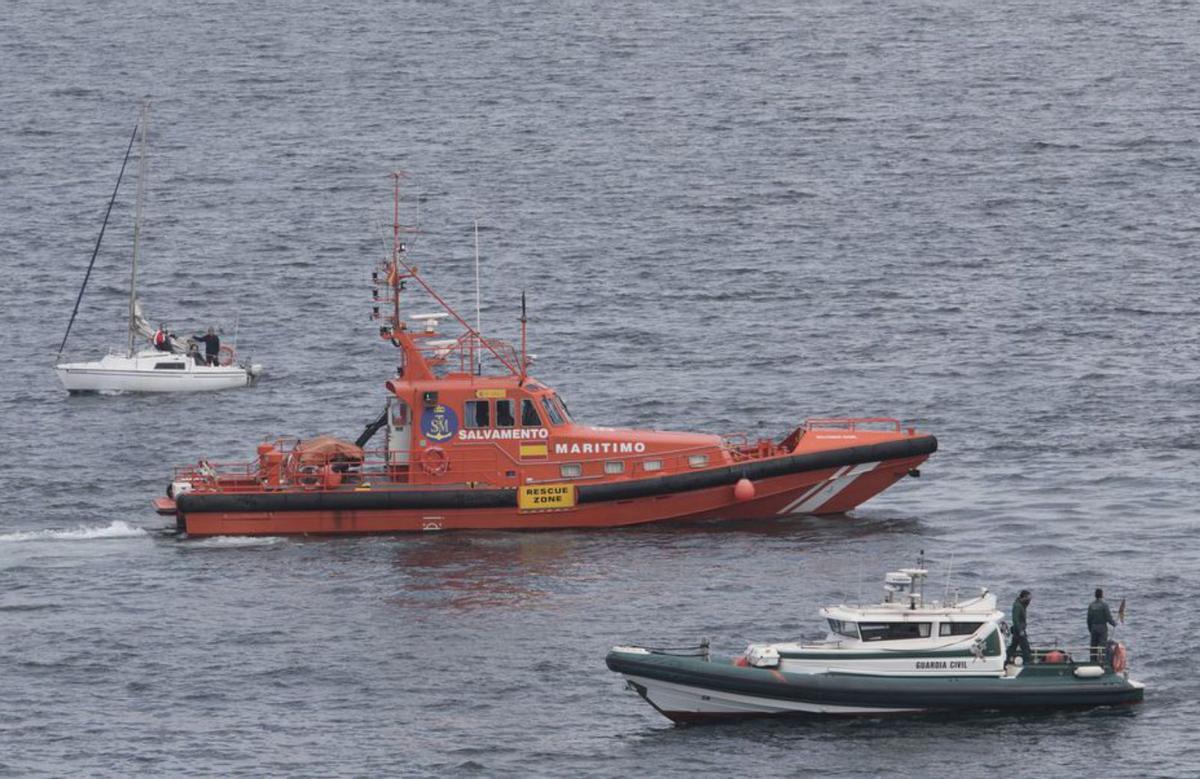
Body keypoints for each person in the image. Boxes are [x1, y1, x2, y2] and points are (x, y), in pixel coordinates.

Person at [1088, 588, 1118, 663]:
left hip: (1093, 627)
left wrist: (1090, 629)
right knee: (1102, 646)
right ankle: (1102, 662)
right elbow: (1108, 617)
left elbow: (1088, 619)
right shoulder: (1104, 605)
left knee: (1093, 646)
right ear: (1102, 595)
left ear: (1095, 595)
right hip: (1102, 628)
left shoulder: (1091, 605)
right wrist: (1114, 623)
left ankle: (1092, 662)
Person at [1006, 589, 1033, 666]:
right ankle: (1027, 661)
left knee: (1013, 646)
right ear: (1024, 597)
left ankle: (1007, 658)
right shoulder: (1017, 606)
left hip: (1019, 628)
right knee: (1025, 646)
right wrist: (1020, 630)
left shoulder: (1022, 605)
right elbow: (1015, 619)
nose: (1029, 600)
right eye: (1028, 598)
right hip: (1019, 629)